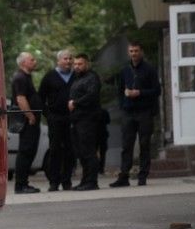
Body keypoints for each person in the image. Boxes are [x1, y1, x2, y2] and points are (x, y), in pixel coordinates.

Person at [110, 41, 161, 187]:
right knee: (127, 145)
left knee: (144, 144)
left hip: (145, 112)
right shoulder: (125, 70)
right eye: (131, 51)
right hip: (128, 112)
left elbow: (157, 91)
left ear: (141, 52)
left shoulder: (149, 69)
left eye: (136, 51)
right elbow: (119, 90)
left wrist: (140, 93)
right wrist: (123, 104)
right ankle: (123, 176)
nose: (134, 54)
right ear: (129, 53)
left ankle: (142, 176)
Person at [37, 48, 75, 191]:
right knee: (55, 150)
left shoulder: (76, 76)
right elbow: (40, 98)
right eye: (65, 58)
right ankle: (54, 182)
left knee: (70, 150)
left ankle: (67, 181)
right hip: (55, 118)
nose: (68, 61)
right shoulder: (49, 76)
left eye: (70, 58)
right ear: (58, 61)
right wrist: (48, 115)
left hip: (72, 118)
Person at [67, 52, 102, 191]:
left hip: (88, 119)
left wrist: (75, 103)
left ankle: (92, 181)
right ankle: (85, 180)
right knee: (81, 152)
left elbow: (92, 95)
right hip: (77, 120)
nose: (77, 66)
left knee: (88, 151)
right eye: (75, 64)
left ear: (87, 64)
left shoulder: (92, 78)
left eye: (80, 64)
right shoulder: (76, 78)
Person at [9, 52, 42, 194]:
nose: (35, 61)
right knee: (25, 152)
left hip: (31, 121)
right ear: (23, 63)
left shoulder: (27, 77)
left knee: (30, 152)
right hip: (27, 122)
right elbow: (21, 99)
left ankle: (24, 183)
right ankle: (21, 185)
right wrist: (30, 116)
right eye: (32, 59)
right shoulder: (20, 77)